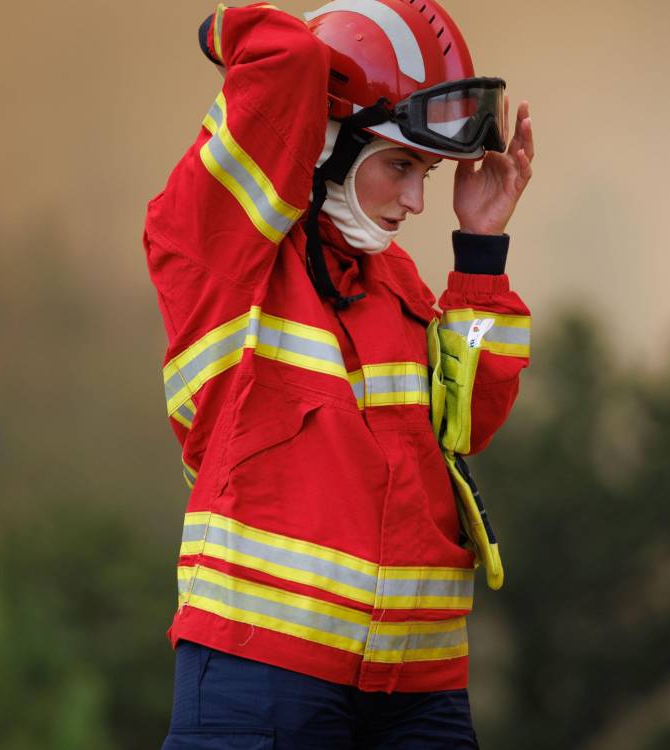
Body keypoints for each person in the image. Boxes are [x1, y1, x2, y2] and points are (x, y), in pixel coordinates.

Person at [144, 1, 534, 746]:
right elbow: (286, 58)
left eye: (426, 170)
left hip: (421, 689)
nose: (417, 201)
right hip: (263, 672)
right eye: (400, 166)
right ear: (327, 141)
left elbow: (469, 425)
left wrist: (481, 251)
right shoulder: (223, 256)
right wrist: (229, 31)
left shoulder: (399, 281)